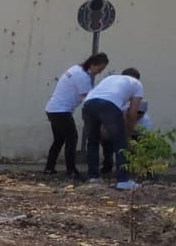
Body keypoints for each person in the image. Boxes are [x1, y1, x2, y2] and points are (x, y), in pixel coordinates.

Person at [43, 52, 109, 180]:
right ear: (92, 64)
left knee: (59, 140)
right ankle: (71, 170)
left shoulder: (75, 69)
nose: (99, 72)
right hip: (61, 110)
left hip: (53, 108)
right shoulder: (82, 77)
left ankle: (49, 168)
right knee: (72, 138)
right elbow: (88, 100)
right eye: (99, 69)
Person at [82, 67, 144, 190]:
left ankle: (93, 177)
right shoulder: (137, 84)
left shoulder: (110, 78)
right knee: (120, 143)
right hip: (109, 106)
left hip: (88, 104)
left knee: (93, 141)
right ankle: (123, 180)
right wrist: (128, 134)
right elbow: (132, 113)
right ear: (137, 77)